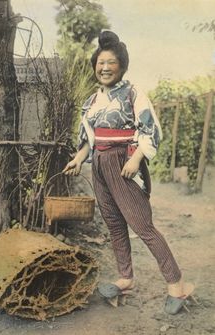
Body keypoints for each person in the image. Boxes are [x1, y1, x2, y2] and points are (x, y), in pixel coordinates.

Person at [63, 30, 194, 314]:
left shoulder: (133, 93)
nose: (105, 68)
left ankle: (177, 284)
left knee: (142, 225)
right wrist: (78, 158)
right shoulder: (91, 101)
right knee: (113, 223)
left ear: (121, 65)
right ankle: (125, 277)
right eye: (100, 63)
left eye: (111, 62)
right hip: (99, 164)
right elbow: (89, 139)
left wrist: (136, 159)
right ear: (94, 66)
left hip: (124, 163)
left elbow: (150, 129)